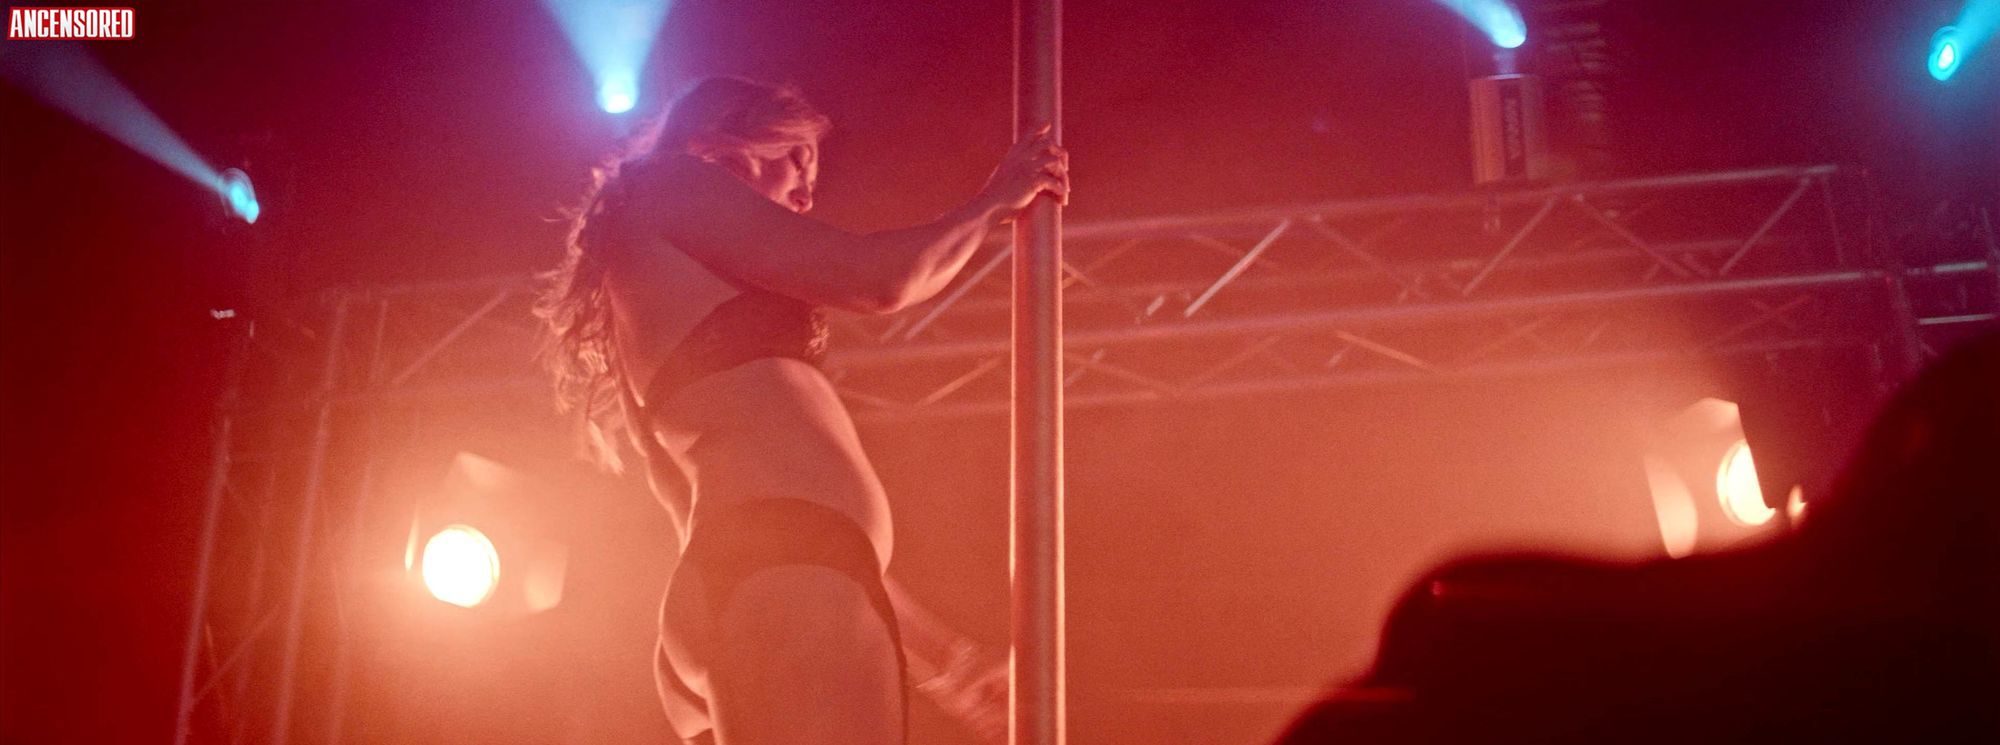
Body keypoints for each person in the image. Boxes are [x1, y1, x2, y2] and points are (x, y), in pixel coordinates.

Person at [537, 76, 1068, 745]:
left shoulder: (658, 288)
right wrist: (992, 202)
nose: (807, 193)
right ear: (726, 137)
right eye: (797, 159)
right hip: (782, 580)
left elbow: (759, 520)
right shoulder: (669, 182)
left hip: (766, 579)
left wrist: (948, 659)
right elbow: (880, 279)